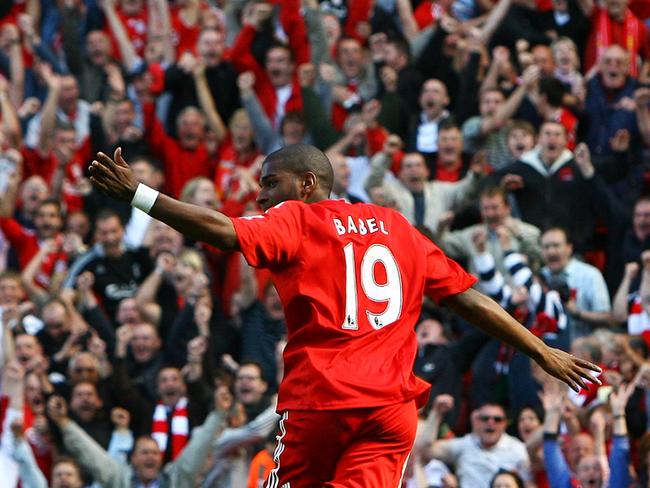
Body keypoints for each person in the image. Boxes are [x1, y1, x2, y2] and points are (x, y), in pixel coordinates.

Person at [88, 144, 600, 486]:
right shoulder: (398, 227)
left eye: (270, 183)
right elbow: (468, 298)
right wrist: (540, 348)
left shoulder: (296, 219)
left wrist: (140, 195)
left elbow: (224, 233)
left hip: (322, 403)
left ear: (307, 183)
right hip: (390, 412)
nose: (261, 196)